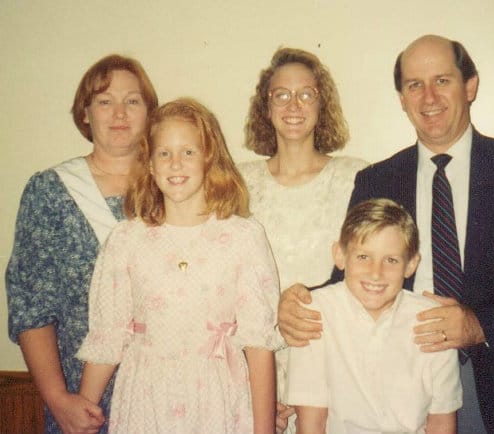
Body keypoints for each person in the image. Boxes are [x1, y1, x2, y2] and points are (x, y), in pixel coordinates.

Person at [278, 34, 494, 433]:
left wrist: (480, 325)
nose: (429, 97)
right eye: (414, 85)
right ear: (402, 98)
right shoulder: (378, 179)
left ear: (470, 86)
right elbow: (354, 279)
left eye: (442, 81)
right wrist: (301, 301)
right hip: (401, 388)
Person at [76, 98, 280, 433]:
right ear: (151, 165)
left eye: (188, 152)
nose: (175, 163)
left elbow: (259, 345)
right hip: (146, 399)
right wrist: (81, 415)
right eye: (164, 153)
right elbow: (107, 338)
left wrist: (264, 430)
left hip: (219, 399)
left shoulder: (243, 237)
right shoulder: (127, 240)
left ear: (208, 159)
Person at [5, 54, 158, 434]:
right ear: (85, 113)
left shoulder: (176, 186)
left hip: (171, 393)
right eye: (105, 101)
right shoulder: (50, 191)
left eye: (133, 101)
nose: (119, 113)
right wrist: (58, 399)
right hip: (85, 402)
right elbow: (31, 306)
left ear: (149, 113)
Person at [239, 47, 367, 432]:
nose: (293, 104)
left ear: (322, 103)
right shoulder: (238, 184)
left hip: (338, 367)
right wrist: (257, 393)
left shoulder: (356, 177)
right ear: (266, 106)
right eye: (282, 94)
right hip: (259, 370)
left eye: (306, 93)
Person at [286, 198, 462, 434]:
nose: (376, 273)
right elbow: (311, 424)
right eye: (363, 257)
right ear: (339, 255)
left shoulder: (433, 321)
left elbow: (441, 423)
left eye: (391, 260)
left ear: (411, 264)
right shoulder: (315, 313)